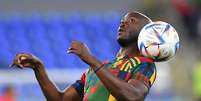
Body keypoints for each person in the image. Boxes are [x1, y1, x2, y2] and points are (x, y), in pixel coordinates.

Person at [11, 11, 156, 101]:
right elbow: (61, 99)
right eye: (122, 20)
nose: (123, 23)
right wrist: (38, 67)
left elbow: (133, 96)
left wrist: (91, 60)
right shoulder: (99, 69)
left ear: (146, 33)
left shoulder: (144, 64)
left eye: (132, 21)